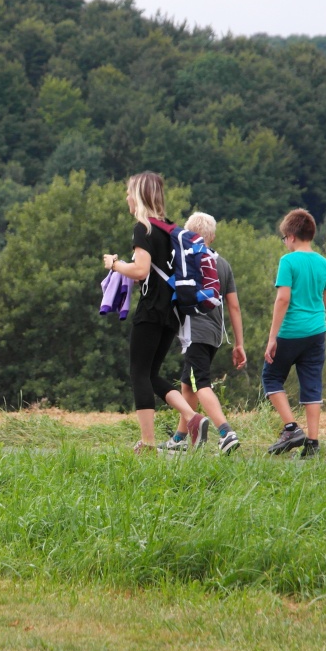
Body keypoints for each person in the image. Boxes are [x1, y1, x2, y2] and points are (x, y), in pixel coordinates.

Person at [102, 171, 210, 455]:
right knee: (151, 374)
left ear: (138, 195)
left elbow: (141, 270)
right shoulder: (167, 229)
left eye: (128, 192)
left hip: (150, 311)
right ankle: (193, 417)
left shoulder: (143, 228)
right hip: (172, 313)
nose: (126, 197)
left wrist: (114, 264)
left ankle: (148, 443)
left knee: (138, 372)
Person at [159, 212, 247, 454]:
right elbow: (234, 306)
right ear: (213, 237)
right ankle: (179, 439)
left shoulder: (187, 261)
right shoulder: (223, 264)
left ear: (188, 235)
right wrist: (239, 343)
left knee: (201, 384)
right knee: (189, 384)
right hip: (214, 335)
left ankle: (225, 432)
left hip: (194, 332)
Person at [262, 208, 326, 457]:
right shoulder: (324, 263)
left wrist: (272, 337)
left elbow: (283, 299)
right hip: (316, 332)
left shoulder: (288, 262)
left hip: (291, 330)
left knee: (271, 377)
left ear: (291, 236)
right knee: (312, 386)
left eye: (284, 238)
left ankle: (291, 428)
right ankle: (312, 444)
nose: (285, 243)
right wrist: (315, 321)